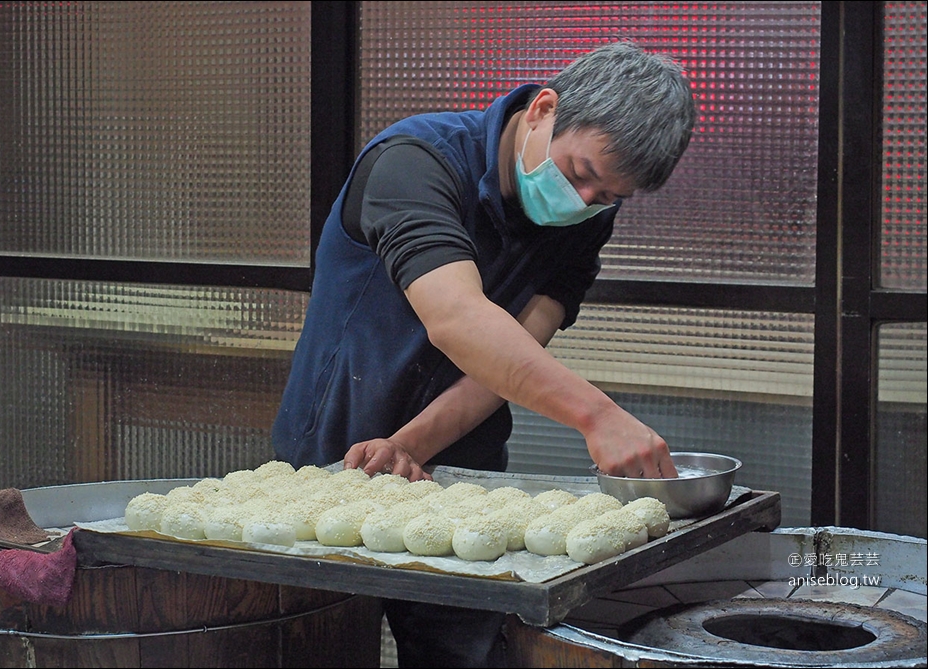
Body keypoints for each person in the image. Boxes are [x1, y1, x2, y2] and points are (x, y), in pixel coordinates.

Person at [271, 40, 695, 667]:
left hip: (459, 473)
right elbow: (457, 319)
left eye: (607, 197)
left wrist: (411, 446)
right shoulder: (415, 164)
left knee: (465, 654)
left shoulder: (583, 219)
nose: (582, 203)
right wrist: (597, 415)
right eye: (579, 174)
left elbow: (502, 362)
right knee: (319, 646)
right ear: (543, 110)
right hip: (329, 460)